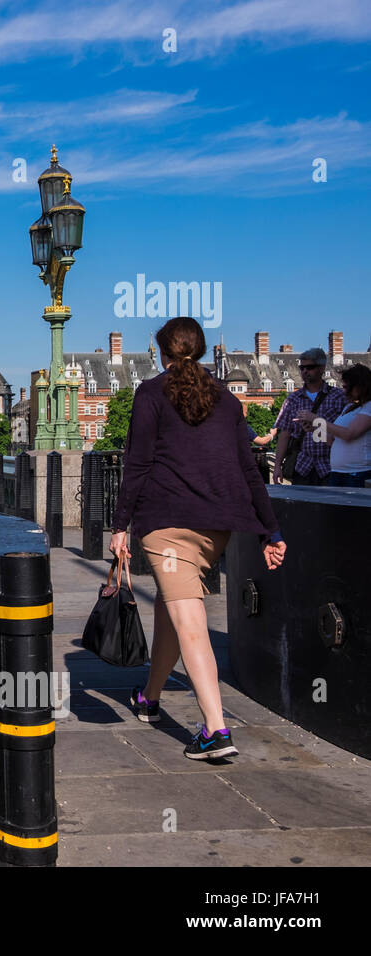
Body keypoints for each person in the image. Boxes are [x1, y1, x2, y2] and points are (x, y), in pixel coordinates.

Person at [111, 317, 285, 761]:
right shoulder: (226, 402)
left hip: (168, 525)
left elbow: (138, 465)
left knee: (189, 620)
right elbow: (250, 470)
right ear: (202, 351)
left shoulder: (150, 394)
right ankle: (150, 699)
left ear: (162, 352)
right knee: (175, 607)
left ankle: (215, 729)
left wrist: (119, 526)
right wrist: (271, 529)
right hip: (215, 528)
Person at [274, 347, 345, 486]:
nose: (305, 371)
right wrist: (277, 465)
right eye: (302, 368)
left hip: (330, 466)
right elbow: (284, 434)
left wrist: (316, 424)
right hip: (302, 466)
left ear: (322, 368)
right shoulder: (293, 399)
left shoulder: (339, 396)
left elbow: (345, 433)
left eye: (310, 367)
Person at [300, 362, 371, 487]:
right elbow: (332, 441)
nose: (344, 391)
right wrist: (314, 430)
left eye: (346, 387)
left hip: (357, 472)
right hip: (338, 472)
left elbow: (349, 434)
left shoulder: (369, 406)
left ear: (359, 386)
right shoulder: (349, 407)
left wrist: (317, 419)